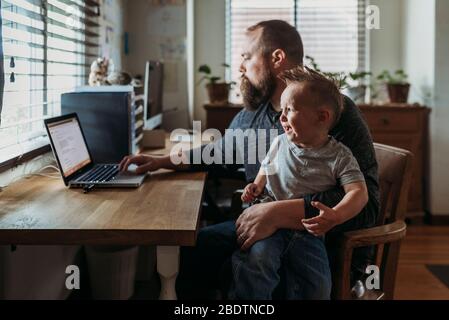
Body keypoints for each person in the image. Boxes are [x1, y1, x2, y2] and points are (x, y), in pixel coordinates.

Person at [119, 20, 379, 299]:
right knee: (194, 249)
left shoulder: (330, 113)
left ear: (277, 58)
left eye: (246, 57)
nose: (240, 67)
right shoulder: (254, 115)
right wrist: (162, 161)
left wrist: (278, 212)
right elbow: (216, 153)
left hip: (321, 242)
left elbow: (369, 207)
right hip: (262, 223)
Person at [231, 66, 368, 299]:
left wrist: (336, 215)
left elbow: (359, 192)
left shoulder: (340, 156)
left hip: (307, 231)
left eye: (290, 110)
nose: (281, 117)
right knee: (257, 265)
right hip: (267, 226)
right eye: (281, 110)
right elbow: (267, 167)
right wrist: (256, 185)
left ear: (322, 117)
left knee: (318, 286)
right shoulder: (280, 142)